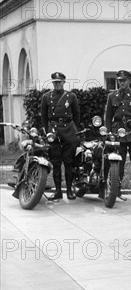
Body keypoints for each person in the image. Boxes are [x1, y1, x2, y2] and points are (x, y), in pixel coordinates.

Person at [104, 70, 131, 197]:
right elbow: (108, 117)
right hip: (118, 132)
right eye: (119, 80)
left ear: (129, 81)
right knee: (119, 161)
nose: (121, 82)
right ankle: (117, 189)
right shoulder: (112, 96)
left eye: (123, 80)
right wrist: (107, 132)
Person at [41, 72, 80, 200]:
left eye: (59, 82)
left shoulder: (71, 96)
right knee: (56, 162)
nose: (57, 84)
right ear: (52, 83)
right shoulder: (46, 97)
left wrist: (75, 130)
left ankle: (69, 191)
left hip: (68, 129)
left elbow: (76, 114)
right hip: (54, 130)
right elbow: (44, 117)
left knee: (68, 162)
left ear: (64, 82)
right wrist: (48, 132)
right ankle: (58, 191)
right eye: (55, 82)